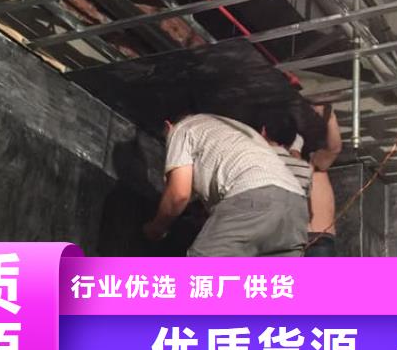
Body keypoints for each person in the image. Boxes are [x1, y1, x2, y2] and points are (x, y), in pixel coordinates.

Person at [143, 112, 309, 256]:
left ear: (168, 125)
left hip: (253, 194)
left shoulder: (182, 128)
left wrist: (156, 228)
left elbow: (179, 195)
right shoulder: (235, 131)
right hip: (297, 206)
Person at [303, 102, 342, 257]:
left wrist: (330, 117)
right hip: (291, 239)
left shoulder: (312, 160)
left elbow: (334, 149)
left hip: (318, 239)